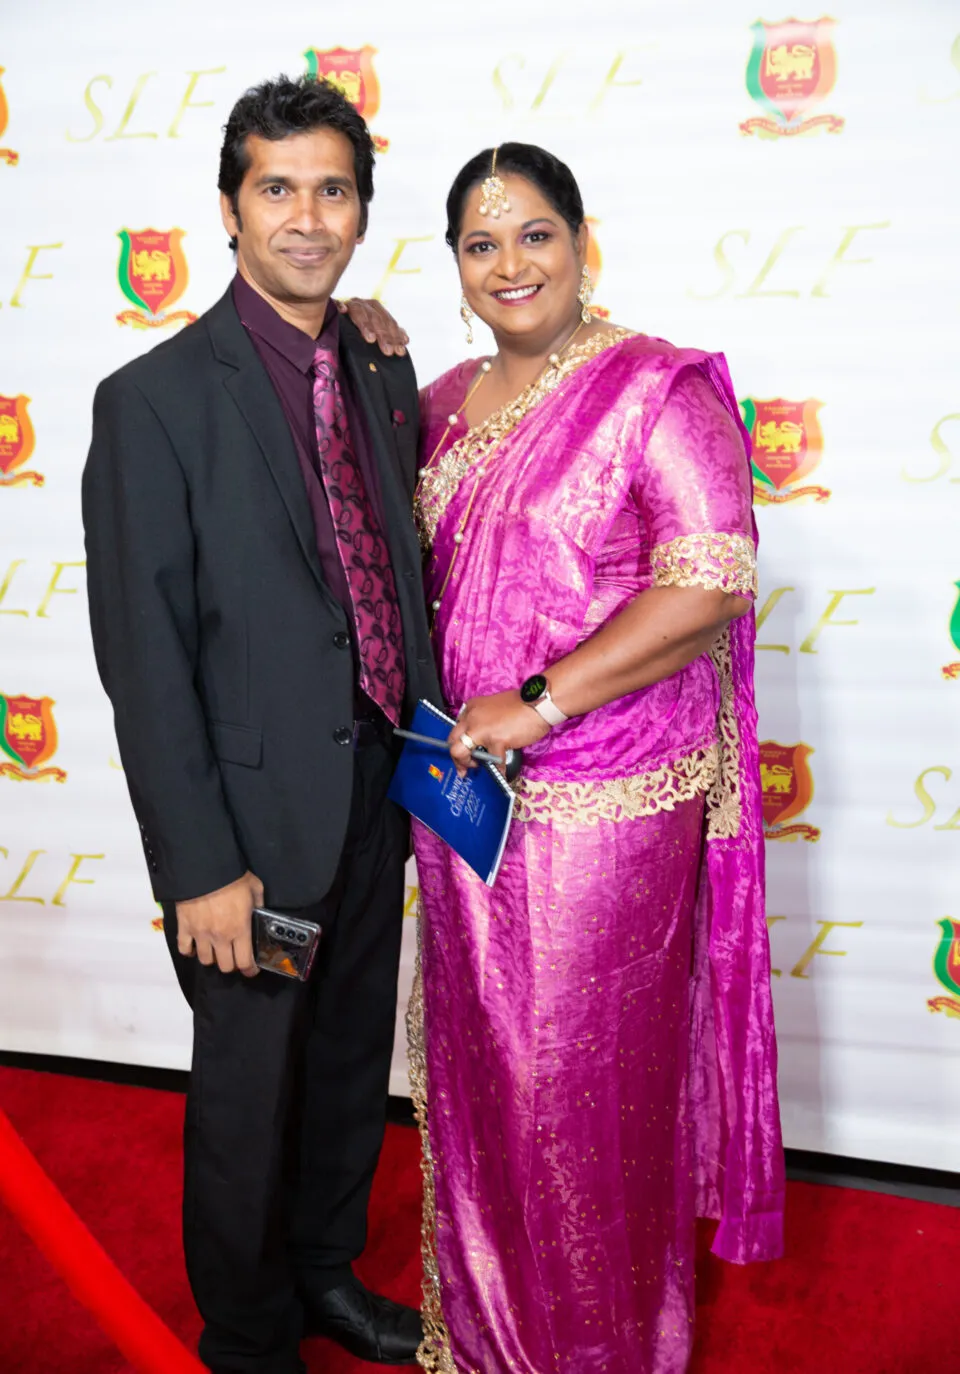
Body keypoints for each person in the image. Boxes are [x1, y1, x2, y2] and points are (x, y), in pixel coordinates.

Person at [407, 143, 785, 1374]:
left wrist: (540, 702)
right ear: (455, 266)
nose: (510, 264)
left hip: (607, 813)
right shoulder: (439, 404)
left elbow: (709, 580)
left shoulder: (652, 391)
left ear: (584, 244)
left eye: (536, 235)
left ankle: (597, 1352)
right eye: (481, 243)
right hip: (465, 803)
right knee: (485, 1080)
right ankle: (487, 1335)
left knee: (580, 1099)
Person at [82, 76, 437, 1374]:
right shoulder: (154, 400)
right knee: (248, 1092)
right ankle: (245, 1334)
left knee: (345, 1062)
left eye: (332, 190)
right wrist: (198, 867)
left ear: (361, 212)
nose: (306, 216)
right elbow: (145, 661)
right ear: (229, 209)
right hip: (247, 833)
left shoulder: (382, 368)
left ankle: (325, 1271)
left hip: (377, 794)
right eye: (276, 188)